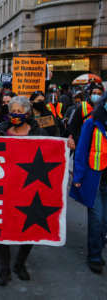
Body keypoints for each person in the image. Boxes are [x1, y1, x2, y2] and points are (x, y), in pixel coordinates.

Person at [0, 96, 47, 286]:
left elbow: (52, 150)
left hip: (30, 189)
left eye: (20, 111)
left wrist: (67, 146)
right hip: (5, 188)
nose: (16, 114)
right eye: (13, 111)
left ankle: (20, 264)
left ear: (27, 113)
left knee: (30, 226)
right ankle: (5, 269)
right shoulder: (0, 132)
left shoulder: (38, 133)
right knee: (3, 229)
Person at [70, 93, 107, 274]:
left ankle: (99, 242)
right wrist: (78, 177)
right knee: (97, 219)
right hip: (95, 180)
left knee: (104, 221)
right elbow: (82, 151)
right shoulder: (91, 123)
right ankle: (94, 256)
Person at [67, 84, 104, 149]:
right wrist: (72, 139)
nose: (96, 95)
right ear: (90, 95)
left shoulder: (104, 109)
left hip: (99, 145)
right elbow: (73, 126)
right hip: (82, 144)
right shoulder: (82, 107)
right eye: (94, 93)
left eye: (99, 94)